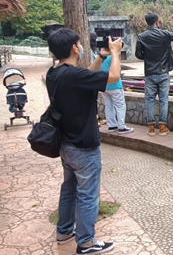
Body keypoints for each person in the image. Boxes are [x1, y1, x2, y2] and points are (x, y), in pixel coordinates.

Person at [47, 28, 122, 255]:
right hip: (83, 145)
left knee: (69, 189)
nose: (80, 46)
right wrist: (116, 54)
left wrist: (100, 57)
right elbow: (114, 77)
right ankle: (87, 242)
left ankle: (64, 231)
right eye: (79, 43)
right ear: (74, 47)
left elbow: (87, 77)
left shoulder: (56, 72)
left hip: (66, 144)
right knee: (88, 194)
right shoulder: (72, 75)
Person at [135, 12, 173, 136]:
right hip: (163, 73)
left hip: (150, 73)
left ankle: (151, 127)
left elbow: (138, 54)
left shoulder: (141, 36)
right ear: (157, 22)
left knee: (149, 100)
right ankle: (162, 127)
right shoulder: (165, 34)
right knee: (163, 100)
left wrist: (148, 56)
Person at [99, 53, 134, 134]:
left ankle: (112, 125)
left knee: (108, 106)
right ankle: (121, 127)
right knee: (120, 106)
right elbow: (118, 70)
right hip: (115, 85)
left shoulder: (100, 57)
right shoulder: (113, 56)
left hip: (104, 85)